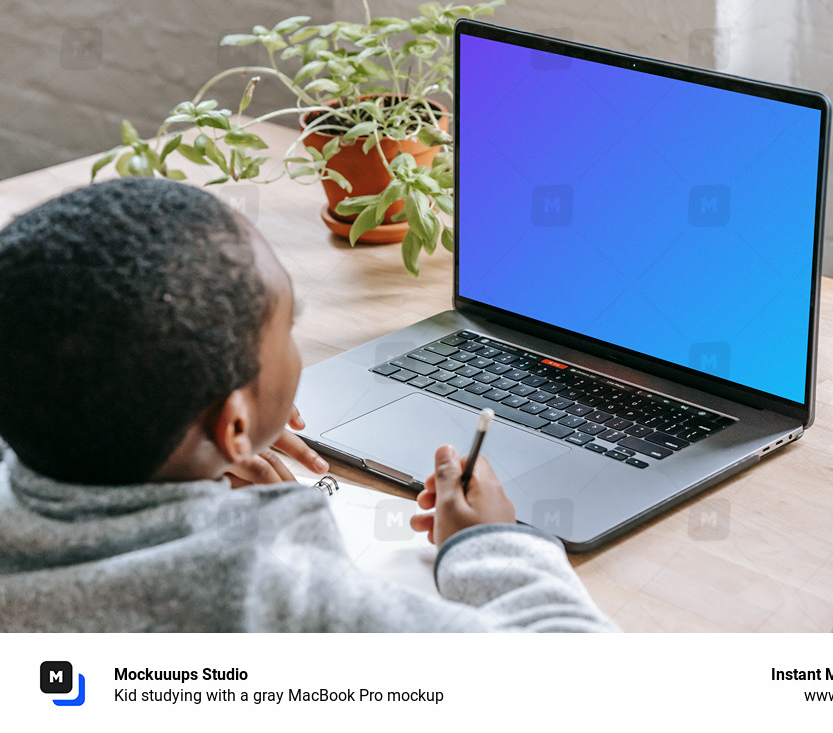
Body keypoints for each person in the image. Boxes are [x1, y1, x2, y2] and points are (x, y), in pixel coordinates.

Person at [0, 178, 615, 632]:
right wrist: (486, 546)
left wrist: (192, 451)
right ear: (234, 424)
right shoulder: (274, 601)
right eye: (289, 324)